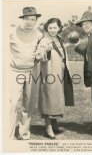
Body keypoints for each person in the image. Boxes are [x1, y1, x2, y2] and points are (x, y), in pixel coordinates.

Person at [36, 18, 74, 139]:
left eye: (55, 27)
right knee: (49, 99)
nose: (53, 30)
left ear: (59, 28)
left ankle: (54, 123)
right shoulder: (44, 41)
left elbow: (64, 55)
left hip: (60, 73)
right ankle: (48, 128)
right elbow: (38, 56)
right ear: (47, 28)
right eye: (50, 27)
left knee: (57, 99)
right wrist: (45, 52)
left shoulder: (60, 39)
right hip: (49, 74)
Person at [10, 7, 42, 140]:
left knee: (28, 103)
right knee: (11, 103)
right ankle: (8, 135)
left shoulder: (39, 34)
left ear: (35, 21)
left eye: (32, 19)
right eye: (27, 19)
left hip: (31, 72)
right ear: (22, 19)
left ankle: (23, 133)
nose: (29, 22)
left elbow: (42, 49)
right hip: (13, 71)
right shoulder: (11, 32)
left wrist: (40, 53)